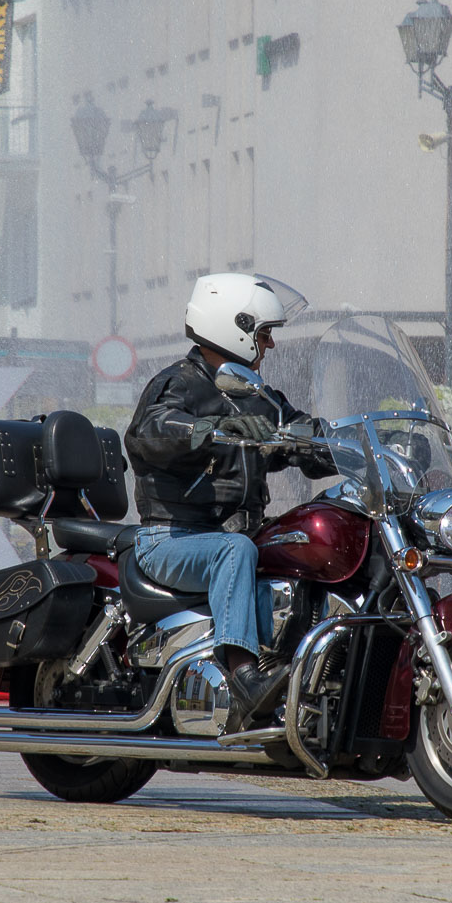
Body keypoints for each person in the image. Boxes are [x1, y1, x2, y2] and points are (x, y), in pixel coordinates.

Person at [124, 273, 335, 730]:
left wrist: (360, 446)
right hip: (173, 537)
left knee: (309, 537)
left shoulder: (256, 394)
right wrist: (211, 429)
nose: (270, 345)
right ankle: (245, 679)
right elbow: (149, 432)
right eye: (265, 333)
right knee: (234, 550)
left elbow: (301, 431)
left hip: (238, 534)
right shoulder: (178, 383)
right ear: (232, 326)